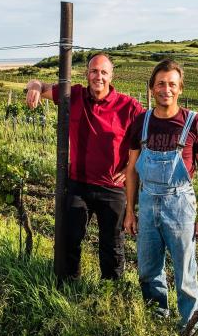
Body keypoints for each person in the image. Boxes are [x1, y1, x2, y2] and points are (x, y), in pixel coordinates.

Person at [25, 53, 143, 280]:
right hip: (78, 183)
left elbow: (147, 139)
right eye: (94, 71)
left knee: (112, 243)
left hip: (113, 187)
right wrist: (35, 86)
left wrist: (130, 165)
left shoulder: (129, 107)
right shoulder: (74, 95)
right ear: (86, 73)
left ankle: (111, 289)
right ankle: (69, 285)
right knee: (71, 237)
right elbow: (41, 84)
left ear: (111, 75)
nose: (98, 76)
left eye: (103, 72)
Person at [124, 59, 198, 328]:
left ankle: (190, 327)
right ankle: (156, 320)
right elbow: (131, 170)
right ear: (151, 89)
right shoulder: (141, 122)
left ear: (180, 88)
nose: (166, 89)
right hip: (148, 201)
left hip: (181, 204)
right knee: (148, 270)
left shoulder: (194, 122)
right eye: (160, 83)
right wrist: (130, 211)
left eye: (172, 84)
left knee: (185, 273)